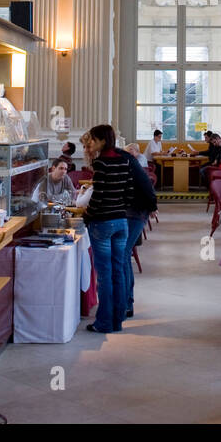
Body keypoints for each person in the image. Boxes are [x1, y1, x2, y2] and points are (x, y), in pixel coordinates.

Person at [82, 124, 136, 333]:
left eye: (94, 140)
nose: (92, 144)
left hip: (102, 223)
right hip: (121, 221)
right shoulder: (124, 160)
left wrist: (88, 216)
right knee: (118, 271)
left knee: (104, 275)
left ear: (102, 141)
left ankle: (104, 322)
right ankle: (117, 320)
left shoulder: (101, 162)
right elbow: (129, 192)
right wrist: (119, 207)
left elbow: (98, 195)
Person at [120, 137, 158, 319]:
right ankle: (126, 301)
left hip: (135, 214)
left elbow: (148, 189)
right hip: (131, 214)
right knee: (124, 254)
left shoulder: (134, 167)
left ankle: (127, 302)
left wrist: (152, 207)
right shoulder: (127, 166)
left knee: (124, 253)